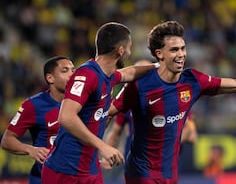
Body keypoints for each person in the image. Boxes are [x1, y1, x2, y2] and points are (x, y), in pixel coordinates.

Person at [109, 20, 236, 184]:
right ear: (159, 54)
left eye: (183, 49)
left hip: (170, 172)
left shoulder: (193, 80)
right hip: (141, 171)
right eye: (174, 50)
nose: (181, 54)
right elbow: (108, 113)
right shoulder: (140, 85)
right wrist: (102, 147)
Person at [41, 22, 158, 184]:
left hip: (90, 170)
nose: (130, 52)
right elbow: (66, 117)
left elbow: (129, 72)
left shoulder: (108, 76)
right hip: (65, 172)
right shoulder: (87, 75)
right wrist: (103, 146)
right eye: (129, 47)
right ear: (121, 50)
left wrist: (159, 66)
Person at [102, 60, 198, 170]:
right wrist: (106, 155)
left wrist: (163, 145)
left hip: (165, 164)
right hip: (136, 164)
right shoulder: (126, 103)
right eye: (138, 76)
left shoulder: (172, 98)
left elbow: (192, 134)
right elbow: (115, 132)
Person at [0, 56, 75, 184]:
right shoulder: (33, 105)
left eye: (73, 70)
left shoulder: (84, 102)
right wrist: (31, 149)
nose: (71, 75)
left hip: (76, 178)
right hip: (43, 178)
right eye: (65, 71)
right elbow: (7, 140)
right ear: (50, 78)